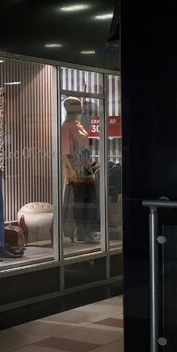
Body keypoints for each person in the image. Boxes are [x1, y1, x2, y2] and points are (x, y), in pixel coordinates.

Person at [61, 97, 98, 243]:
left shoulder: (78, 125)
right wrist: (73, 171)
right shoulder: (66, 127)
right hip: (77, 170)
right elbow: (66, 152)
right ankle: (82, 232)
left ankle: (86, 231)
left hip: (85, 168)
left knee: (90, 200)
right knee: (81, 201)